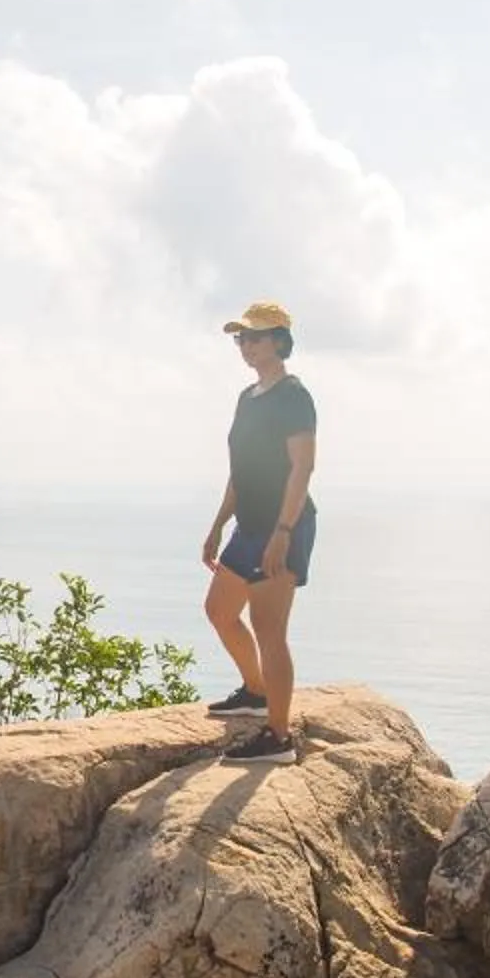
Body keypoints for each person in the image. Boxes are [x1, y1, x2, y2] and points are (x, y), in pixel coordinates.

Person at [200, 300, 318, 762]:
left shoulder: (294, 396)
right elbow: (240, 470)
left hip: (282, 526)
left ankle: (279, 736)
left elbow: (302, 468)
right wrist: (217, 524)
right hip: (248, 524)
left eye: (254, 337)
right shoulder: (247, 398)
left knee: (270, 629)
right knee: (219, 610)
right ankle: (255, 691)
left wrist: (283, 532)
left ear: (279, 341)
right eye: (241, 338)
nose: (245, 345)